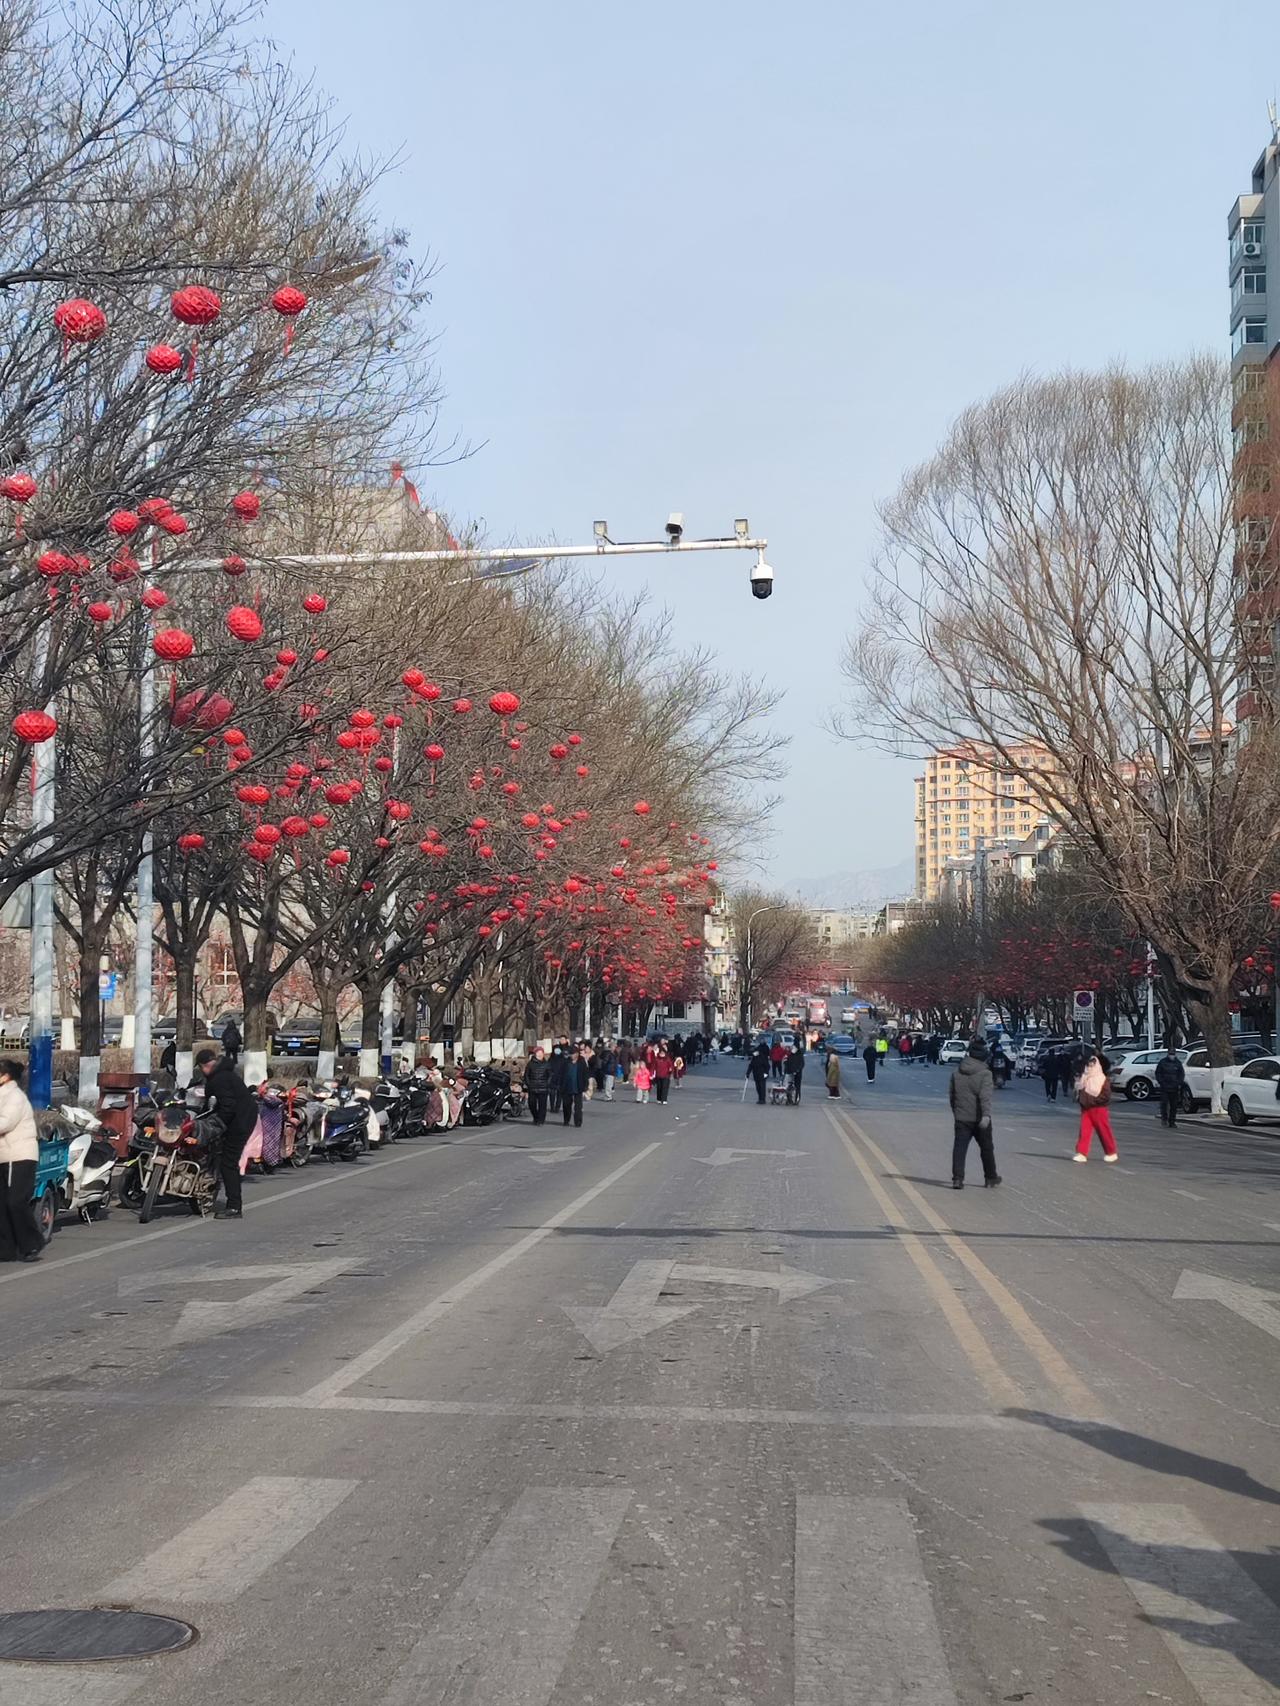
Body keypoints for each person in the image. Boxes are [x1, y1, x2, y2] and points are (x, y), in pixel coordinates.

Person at [196, 1046, 259, 1218]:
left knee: (228, 1162)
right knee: (220, 1154)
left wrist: (217, 1124)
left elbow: (228, 1106)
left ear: (204, 1066)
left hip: (239, 1121)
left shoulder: (219, 1079)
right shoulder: (224, 1073)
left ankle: (234, 1207)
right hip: (243, 1117)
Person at [0, 1057, 42, 1263]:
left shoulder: (14, 1096)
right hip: (4, 1157)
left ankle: (31, 1244)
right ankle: (6, 1249)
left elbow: (5, 1123)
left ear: (5, 1077)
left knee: (15, 1201)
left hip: (20, 1157)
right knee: (2, 1204)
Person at [949, 1039, 999, 1188]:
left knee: (959, 1148)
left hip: (961, 1117)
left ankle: (957, 1179)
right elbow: (985, 1096)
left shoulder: (957, 1072)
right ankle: (990, 1177)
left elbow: (952, 1095)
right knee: (986, 1148)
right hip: (979, 1118)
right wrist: (986, 1115)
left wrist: (956, 1111)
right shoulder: (985, 1074)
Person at [1073, 1052, 1119, 1163]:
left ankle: (1111, 1152)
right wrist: (1080, 1099)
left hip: (1099, 1108)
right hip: (1086, 1108)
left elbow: (1106, 1096)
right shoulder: (1085, 1078)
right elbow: (1079, 1091)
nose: (1089, 1067)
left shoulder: (1102, 1079)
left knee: (1104, 1130)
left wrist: (1093, 1101)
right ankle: (1081, 1152)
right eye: (1088, 1065)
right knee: (1084, 1131)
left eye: (1092, 1065)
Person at [1154, 1046, 1185, 1129]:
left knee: (1174, 1106)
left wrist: (1178, 1083)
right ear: (1168, 1054)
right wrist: (1162, 1082)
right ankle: (1164, 1118)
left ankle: (1172, 1122)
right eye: (1171, 1054)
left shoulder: (1178, 1063)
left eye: (1173, 1054)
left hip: (1174, 1088)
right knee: (1164, 1104)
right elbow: (1158, 1073)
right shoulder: (1162, 1062)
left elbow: (1181, 1074)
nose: (1172, 1055)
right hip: (1165, 1087)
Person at [561, 1045, 587, 1128]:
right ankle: (566, 1120)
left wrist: (585, 1086)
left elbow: (585, 1075)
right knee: (566, 1105)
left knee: (578, 1106)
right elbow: (560, 1074)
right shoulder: (566, 1062)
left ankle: (578, 1121)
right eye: (570, 1054)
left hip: (578, 1086)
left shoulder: (581, 1062)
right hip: (567, 1086)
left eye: (573, 1054)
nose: (571, 1056)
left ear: (577, 1054)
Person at [525, 1046, 550, 1125]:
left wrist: (547, 1083)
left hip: (543, 1088)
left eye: (541, 1053)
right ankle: (535, 1117)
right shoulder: (530, 1064)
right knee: (531, 1104)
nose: (540, 1054)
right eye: (538, 1053)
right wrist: (529, 1084)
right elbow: (526, 1075)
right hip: (532, 1088)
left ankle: (541, 1120)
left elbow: (551, 1075)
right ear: (535, 1054)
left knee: (542, 1106)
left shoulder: (547, 1064)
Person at [547, 1043, 567, 1115]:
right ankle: (552, 1107)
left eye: (558, 1049)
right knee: (552, 1093)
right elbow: (548, 1068)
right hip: (552, 1078)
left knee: (559, 1094)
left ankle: (557, 1107)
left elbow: (565, 1069)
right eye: (556, 1049)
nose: (557, 1051)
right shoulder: (551, 1059)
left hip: (561, 1078)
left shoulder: (563, 1059)